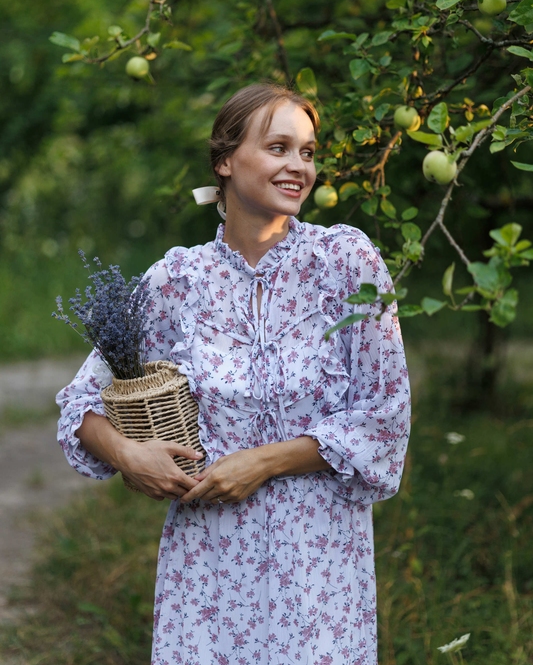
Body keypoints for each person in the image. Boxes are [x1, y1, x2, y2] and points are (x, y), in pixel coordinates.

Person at [56, 83, 410, 665]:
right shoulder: (177, 281)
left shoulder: (347, 264)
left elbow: (386, 418)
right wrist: (130, 456)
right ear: (225, 160)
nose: (299, 166)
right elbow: (80, 403)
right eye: (278, 148)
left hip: (320, 568)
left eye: (308, 152)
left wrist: (265, 461)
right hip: (208, 571)